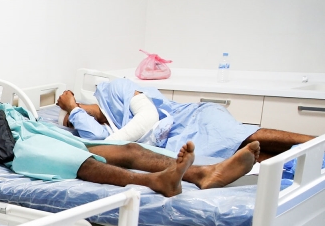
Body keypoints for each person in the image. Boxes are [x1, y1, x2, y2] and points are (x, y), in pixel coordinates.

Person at [0, 69, 258, 197]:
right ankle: (157, 181)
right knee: (84, 161)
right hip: (22, 150)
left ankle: (203, 173)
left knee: (129, 150)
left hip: (36, 131)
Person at [55, 78, 313, 161]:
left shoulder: (113, 90)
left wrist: (72, 108)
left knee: (242, 136)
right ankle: (310, 167)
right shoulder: (103, 128)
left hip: (190, 119)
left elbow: (148, 116)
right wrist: (77, 116)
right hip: (174, 141)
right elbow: (99, 141)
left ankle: (318, 143)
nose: (77, 121)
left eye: (75, 114)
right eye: (74, 121)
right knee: (247, 154)